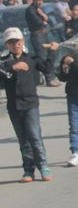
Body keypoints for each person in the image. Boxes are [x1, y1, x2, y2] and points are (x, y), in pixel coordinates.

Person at [0, 28, 58, 182]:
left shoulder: (31, 57)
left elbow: (47, 68)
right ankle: (28, 170)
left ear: (23, 42)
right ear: (7, 44)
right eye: (11, 42)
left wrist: (52, 52)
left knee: (34, 136)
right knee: (23, 140)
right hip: (14, 106)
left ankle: (44, 166)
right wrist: (13, 67)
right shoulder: (4, 61)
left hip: (30, 103)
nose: (15, 45)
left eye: (17, 41)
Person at [25, 0, 59, 87]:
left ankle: (53, 76)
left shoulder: (40, 9)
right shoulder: (30, 10)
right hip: (37, 35)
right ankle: (49, 79)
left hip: (46, 34)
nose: (40, 2)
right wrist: (43, 19)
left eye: (41, 0)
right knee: (42, 57)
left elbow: (49, 21)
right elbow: (39, 22)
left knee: (51, 54)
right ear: (34, 0)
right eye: (38, 0)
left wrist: (44, 16)